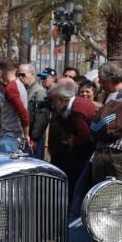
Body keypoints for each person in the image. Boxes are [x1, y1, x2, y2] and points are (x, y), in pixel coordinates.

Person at [49, 78, 98, 215]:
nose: (53, 104)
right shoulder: (74, 106)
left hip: (87, 151)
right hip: (87, 149)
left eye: (54, 100)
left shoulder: (77, 111)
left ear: (62, 99)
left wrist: (73, 141)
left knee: (79, 183)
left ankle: (75, 212)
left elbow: (84, 134)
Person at [0, 60, 32, 154]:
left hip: (10, 138)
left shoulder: (11, 87)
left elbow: (23, 113)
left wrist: (26, 134)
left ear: (2, 71)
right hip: (15, 137)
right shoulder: (19, 85)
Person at [20, 64, 50, 160]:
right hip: (26, 136)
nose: (21, 77)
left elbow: (41, 118)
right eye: (19, 75)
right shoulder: (24, 89)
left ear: (32, 74)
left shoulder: (39, 92)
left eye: (23, 75)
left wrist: (35, 139)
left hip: (34, 137)